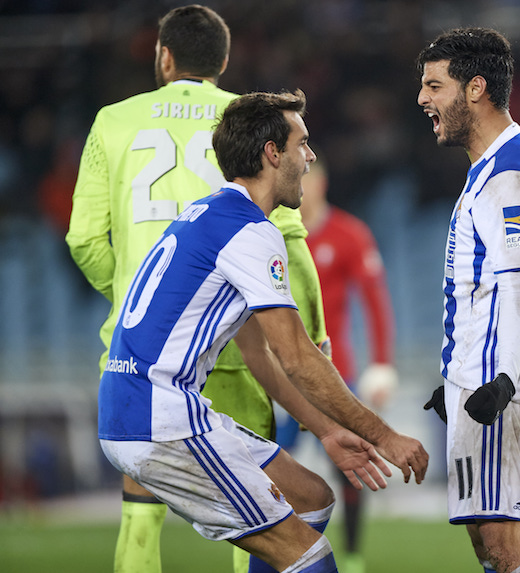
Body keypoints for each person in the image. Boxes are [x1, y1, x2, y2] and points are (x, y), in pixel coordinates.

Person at [98, 89, 429, 573]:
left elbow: (260, 356)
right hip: (159, 420)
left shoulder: (209, 214)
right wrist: (385, 436)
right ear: (273, 153)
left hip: (138, 407)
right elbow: (298, 356)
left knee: (312, 498)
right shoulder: (251, 232)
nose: (310, 157)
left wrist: (329, 431)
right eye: (302, 144)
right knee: (311, 556)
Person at [64, 7, 329, 573]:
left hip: (146, 357)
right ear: (223, 61)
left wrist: (141, 302)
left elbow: (83, 239)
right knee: (260, 508)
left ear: (164, 57)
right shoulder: (248, 122)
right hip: (237, 341)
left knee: (140, 517)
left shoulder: (113, 121)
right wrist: (316, 335)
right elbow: (291, 243)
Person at [417, 28, 520, 573]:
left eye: (435, 86)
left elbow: (518, 290)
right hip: (477, 377)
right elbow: (481, 289)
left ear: (475, 88)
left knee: (507, 546)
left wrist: (500, 380)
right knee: (488, 542)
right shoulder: (492, 167)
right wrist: (458, 375)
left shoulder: (512, 177)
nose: (422, 99)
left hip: (507, 387)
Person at [276, 157, 398, 573]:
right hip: (279, 376)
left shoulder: (348, 234)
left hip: (333, 373)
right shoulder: (272, 233)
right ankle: (279, 551)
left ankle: (353, 555)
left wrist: (381, 364)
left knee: (351, 467)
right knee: (271, 471)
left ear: (321, 184)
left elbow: (375, 302)